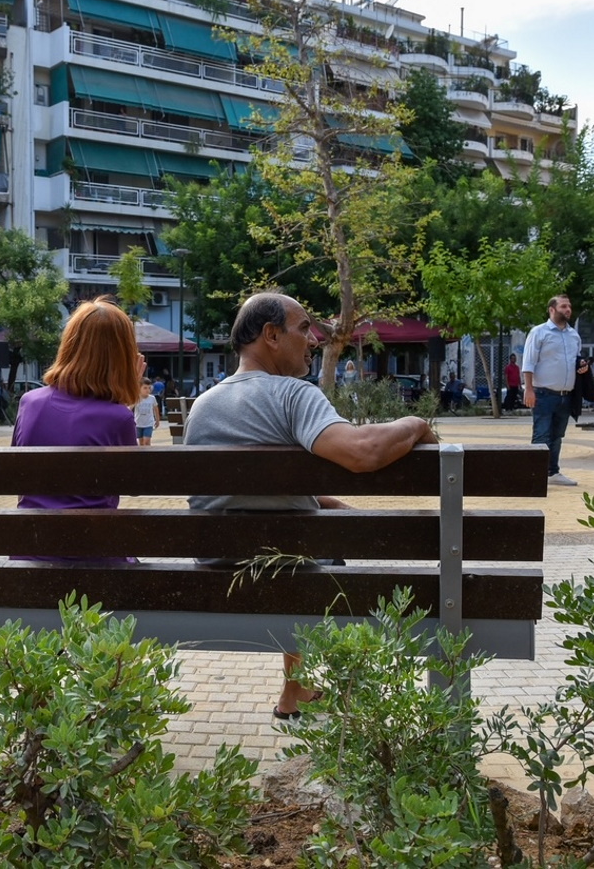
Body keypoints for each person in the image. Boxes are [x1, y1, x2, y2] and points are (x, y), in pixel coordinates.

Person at [183, 292, 437, 721]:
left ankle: (294, 692)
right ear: (271, 335)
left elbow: (244, 490)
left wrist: (325, 502)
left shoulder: (202, 408)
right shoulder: (292, 395)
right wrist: (417, 424)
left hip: (217, 571)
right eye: (304, 328)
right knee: (319, 555)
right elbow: (362, 453)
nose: (314, 339)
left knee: (308, 542)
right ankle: (336, 696)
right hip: (291, 573)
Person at [13, 296, 144, 510]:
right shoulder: (118, 417)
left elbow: (18, 472)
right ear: (123, 357)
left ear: (68, 346)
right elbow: (135, 486)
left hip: (31, 536)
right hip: (92, 538)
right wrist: (125, 398)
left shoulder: (29, 403)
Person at [521, 294, 584, 486]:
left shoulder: (574, 335)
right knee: (541, 434)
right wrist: (529, 389)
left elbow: (575, 360)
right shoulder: (539, 333)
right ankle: (535, 474)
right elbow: (528, 362)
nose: (568, 310)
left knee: (557, 436)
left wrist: (582, 366)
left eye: (569, 307)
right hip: (543, 393)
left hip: (565, 395)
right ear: (552, 310)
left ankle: (552, 472)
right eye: (564, 306)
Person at [134, 378, 161, 446]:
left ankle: (149, 454)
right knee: (141, 442)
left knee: (146, 441)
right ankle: (142, 455)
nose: (147, 390)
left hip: (148, 423)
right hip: (138, 423)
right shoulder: (136, 398)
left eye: (149, 388)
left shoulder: (152, 398)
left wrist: (157, 420)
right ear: (139, 388)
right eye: (145, 388)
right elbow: (129, 407)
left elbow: (155, 409)